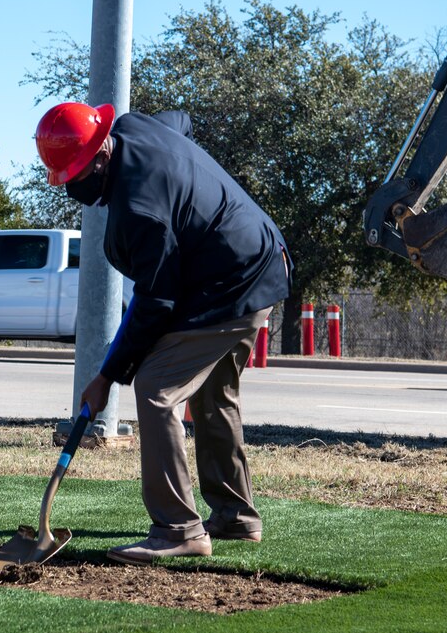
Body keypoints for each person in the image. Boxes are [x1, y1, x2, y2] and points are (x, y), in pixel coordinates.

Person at [34, 102, 291, 565]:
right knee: (213, 394)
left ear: (100, 157)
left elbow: (156, 303)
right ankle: (235, 516)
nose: (72, 186)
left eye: (75, 175)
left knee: (156, 388)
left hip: (231, 283)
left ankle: (178, 529)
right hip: (260, 259)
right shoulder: (135, 127)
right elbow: (182, 120)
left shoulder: (139, 210)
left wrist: (108, 375)